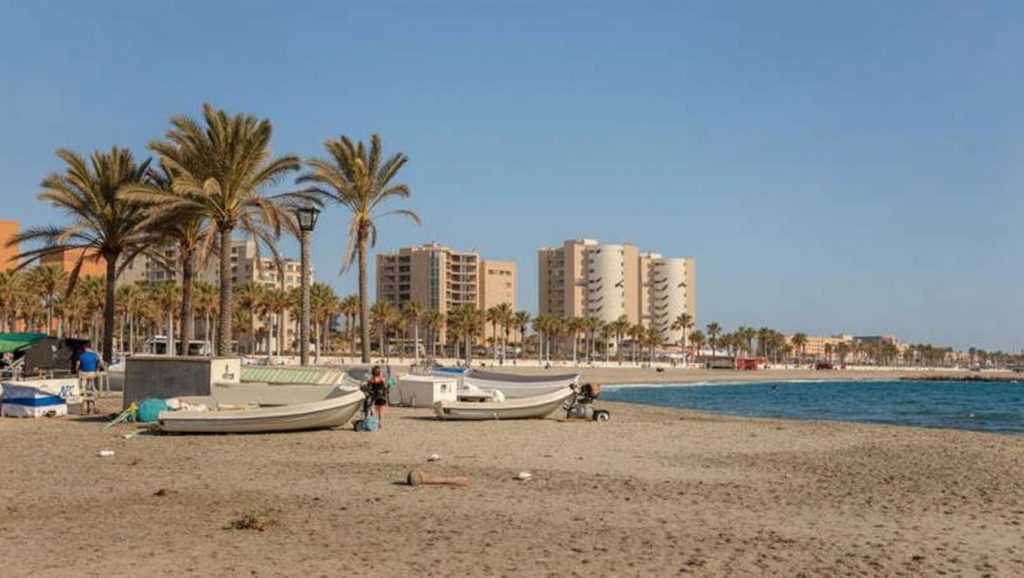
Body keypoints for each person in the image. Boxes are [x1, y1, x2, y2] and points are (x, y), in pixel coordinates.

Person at [76, 342, 104, 413]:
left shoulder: (82, 355)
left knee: (82, 378)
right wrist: (96, 368)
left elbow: (78, 365)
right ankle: (93, 389)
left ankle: (82, 389)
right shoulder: (94, 355)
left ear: (85, 348)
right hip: (92, 374)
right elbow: (100, 363)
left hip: (84, 374)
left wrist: (77, 370)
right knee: (91, 381)